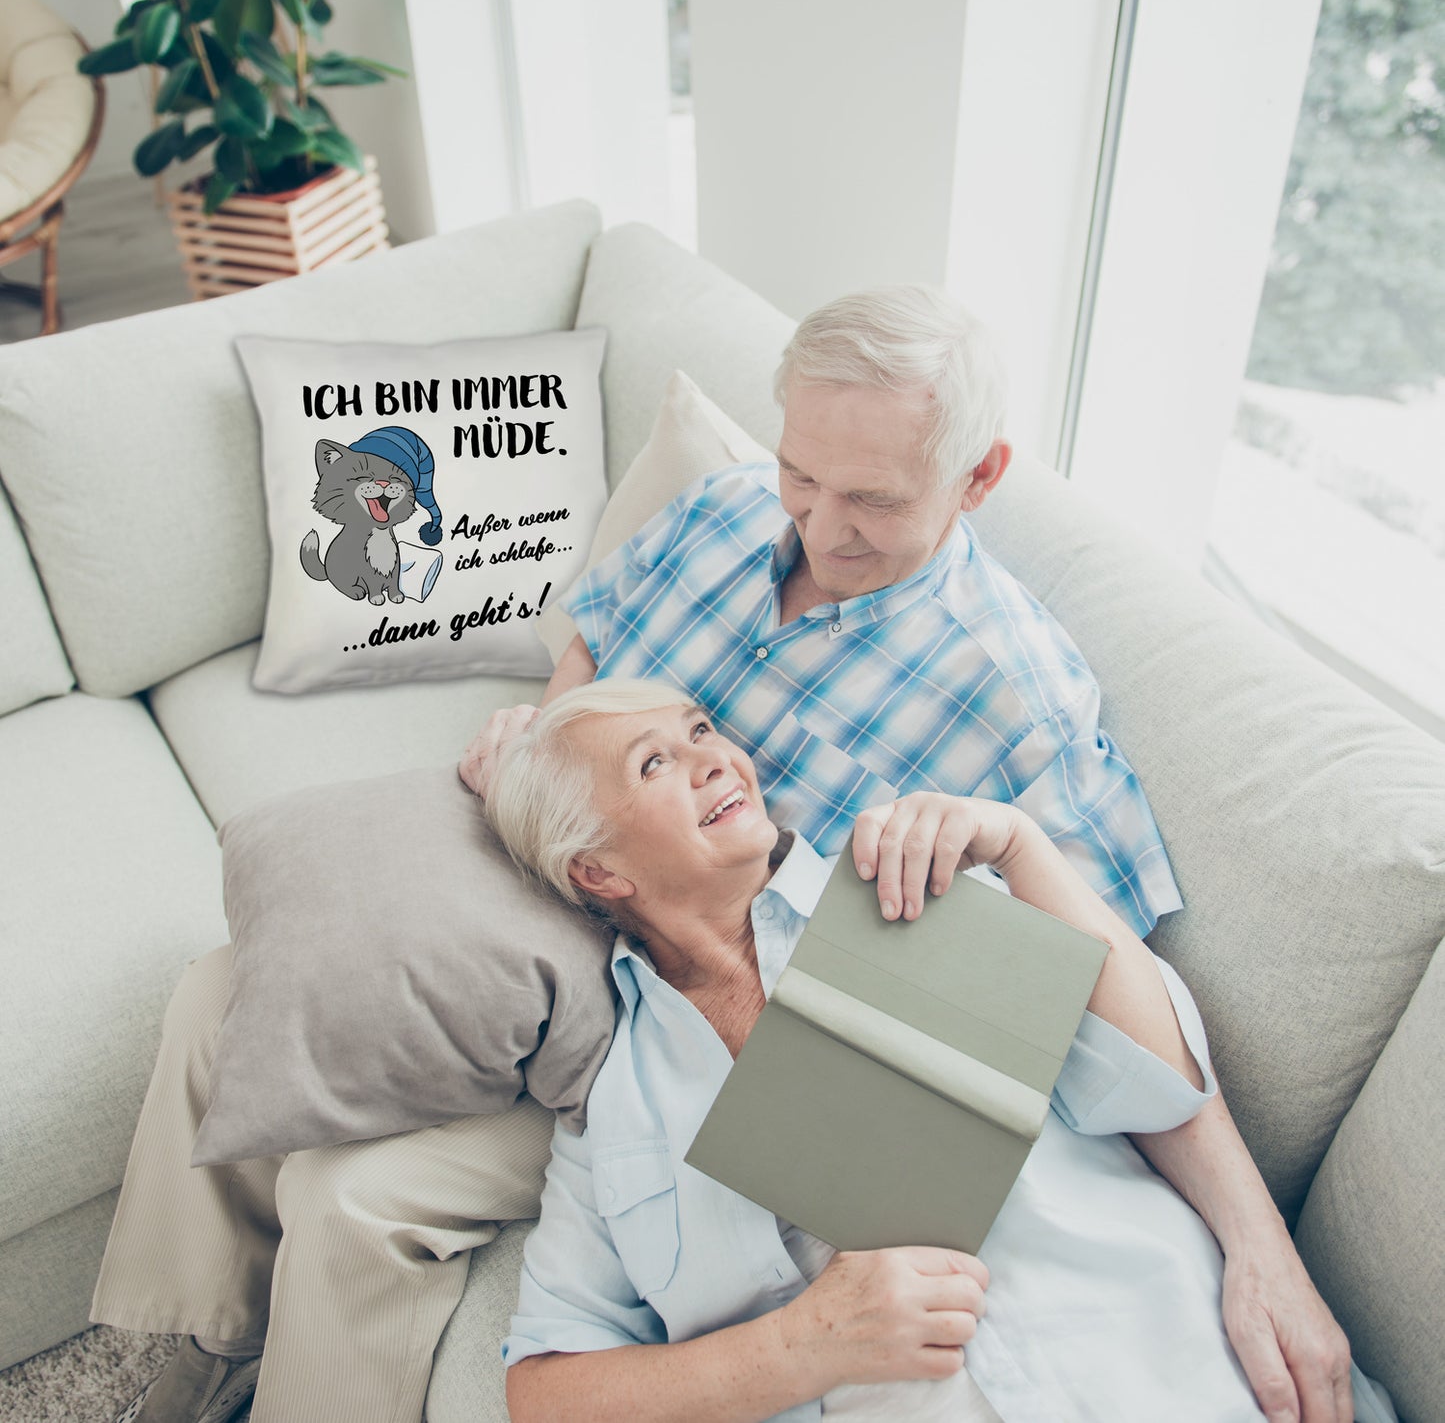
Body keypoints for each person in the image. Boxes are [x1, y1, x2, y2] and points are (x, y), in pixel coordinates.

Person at [94, 287, 1348, 1423]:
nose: (818, 523)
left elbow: (1103, 999)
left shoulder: (1016, 703)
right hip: (579, 865)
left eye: (871, 498)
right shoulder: (725, 510)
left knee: (355, 1196)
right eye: (804, 473)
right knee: (229, 986)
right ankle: (193, 1341)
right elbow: (593, 643)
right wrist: (545, 743)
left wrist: (1260, 1244)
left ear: (976, 479)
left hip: (691, 992)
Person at [486, 679, 1382, 1423]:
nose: (715, 757)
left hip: (1174, 1368)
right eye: (655, 762)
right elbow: (545, 1390)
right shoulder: (614, 1110)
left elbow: (1158, 1083)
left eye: (700, 730)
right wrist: (802, 1345)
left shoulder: (909, 885)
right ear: (597, 871)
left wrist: (1021, 846)